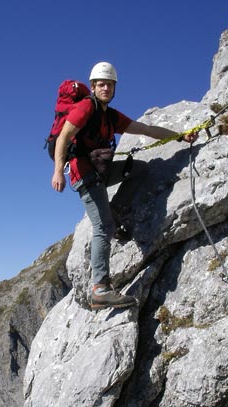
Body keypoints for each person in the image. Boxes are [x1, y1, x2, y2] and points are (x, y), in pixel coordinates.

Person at [51, 61, 197, 310]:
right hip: (83, 174)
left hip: (100, 171)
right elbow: (64, 136)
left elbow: (147, 129)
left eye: (109, 84)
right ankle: (100, 289)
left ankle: (116, 212)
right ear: (94, 87)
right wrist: (58, 172)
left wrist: (180, 136)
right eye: (101, 84)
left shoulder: (111, 116)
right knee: (102, 226)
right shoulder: (87, 107)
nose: (105, 88)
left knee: (139, 169)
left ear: (114, 87)